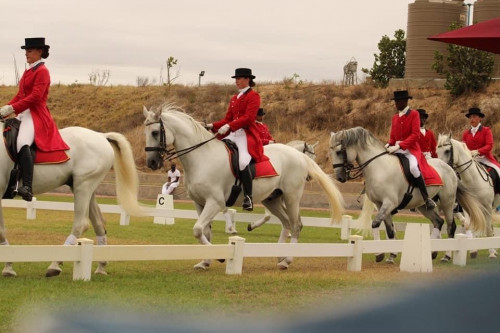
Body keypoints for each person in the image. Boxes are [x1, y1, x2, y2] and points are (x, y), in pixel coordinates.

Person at [0, 37, 69, 202]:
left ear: (40, 52)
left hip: (36, 114)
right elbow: (20, 95)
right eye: (25, 51)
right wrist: (6, 108)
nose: (26, 54)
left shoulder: (42, 71)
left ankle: (27, 187)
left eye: (29, 51)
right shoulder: (29, 70)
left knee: (22, 142)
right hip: (23, 113)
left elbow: (36, 97)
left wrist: (13, 108)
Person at [206, 68, 267, 211]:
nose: (236, 81)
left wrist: (229, 126)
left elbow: (248, 118)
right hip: (231, 133)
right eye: (236, 79)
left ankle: (248, 197)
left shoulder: (254, 96)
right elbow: (227, 119)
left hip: (244, 134)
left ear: (247, 79)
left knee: (242, 162)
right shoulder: (235, 98)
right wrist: (212, 125)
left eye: (239, 78)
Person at [385, 90, 437, 210]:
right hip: (396, 149)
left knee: (413, 167)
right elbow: (393, 137)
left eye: (397, 101)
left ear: (405, 101)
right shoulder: (395, 117)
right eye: (395, 101)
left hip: (410, 150)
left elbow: (415, 135)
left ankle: (426, 198)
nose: (396, 104)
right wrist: (388, 145)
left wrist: (400, 145)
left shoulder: (414, 114)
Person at [462, 107, 500, 194]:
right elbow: (464, 147)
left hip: (485, 158)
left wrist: (478, 151)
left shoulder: (486, 130)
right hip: (471, 159)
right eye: (470, 117)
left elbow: (489, 145)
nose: (472, 119)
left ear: (480, 118)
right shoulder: (466, 134)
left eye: (474, 116)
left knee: (499, 171)